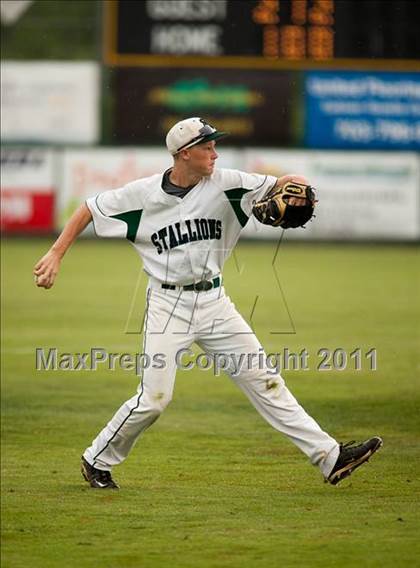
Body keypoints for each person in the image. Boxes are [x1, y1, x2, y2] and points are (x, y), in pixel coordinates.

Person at [34, 117, 382, 489]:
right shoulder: (142, 195)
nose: (215, 152)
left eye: (215, 145)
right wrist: (56, 254)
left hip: (216, 303)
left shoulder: (228, 184)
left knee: (265, 380)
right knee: (154, 399)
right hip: (168, 305)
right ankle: (96, 459)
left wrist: (298, 188)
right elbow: (89, 208)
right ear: (184, 154)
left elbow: (282, 183)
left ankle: (330, 458)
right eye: (207, 146)